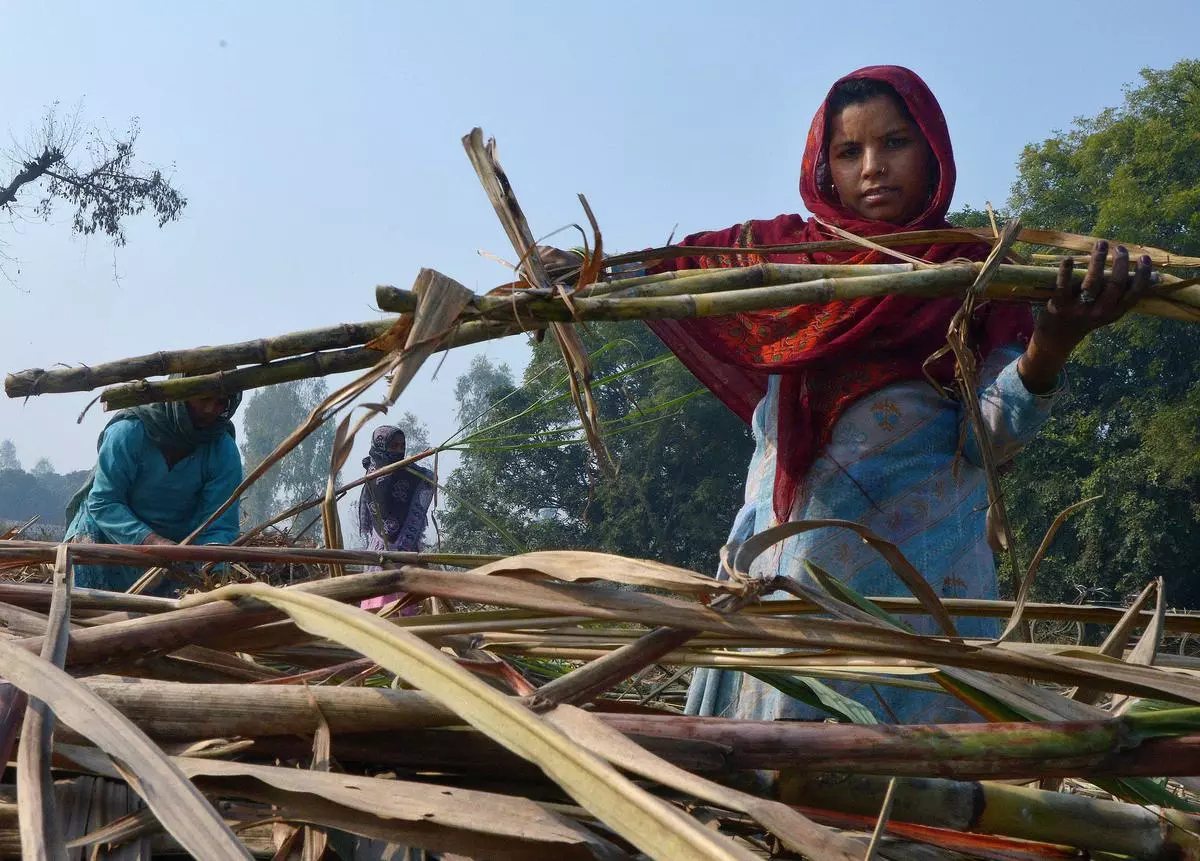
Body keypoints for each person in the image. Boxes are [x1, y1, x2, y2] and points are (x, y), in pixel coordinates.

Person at [542, 65, 1150, 724]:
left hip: (915, 581)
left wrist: (1051, 345)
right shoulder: (784, 261)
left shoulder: (974, 274)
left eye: (895, 143)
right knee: (767, 775)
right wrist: (583, 275)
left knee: (917, 795)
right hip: (785, 565)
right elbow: (668, 271)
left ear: (933, 150)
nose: (873, 167)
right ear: (824, 166)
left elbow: (987, 440)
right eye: (849, 151)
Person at [65, 393, 243, 594]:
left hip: (174, 556)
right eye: (203, 398)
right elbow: (105, 502)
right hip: (104, 542)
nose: (211, 409)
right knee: (87, 617)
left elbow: (219, 524)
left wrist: (215, 574)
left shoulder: (222, 450)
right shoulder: (128, 433)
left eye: (221, 401)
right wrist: (153, 542)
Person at [357, 425, 436, 611]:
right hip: (382, 552)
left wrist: (425, 474)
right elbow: (382, 510)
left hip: (406, 554)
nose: (399, 451)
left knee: (406, 607)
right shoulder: (373, 475)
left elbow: (425, 478)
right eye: (393, 446)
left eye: (401, 446)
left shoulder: (407, 471)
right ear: (381, 446)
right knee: (381, 605)